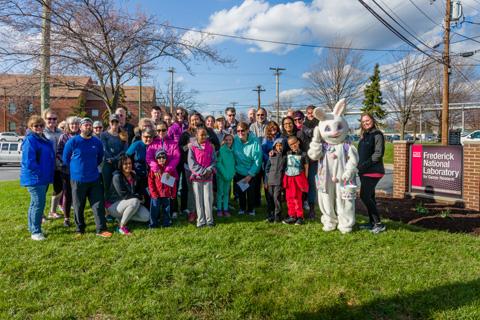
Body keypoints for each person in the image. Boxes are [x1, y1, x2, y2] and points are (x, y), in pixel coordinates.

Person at [62, 117, 112, 237]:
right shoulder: (73, 142)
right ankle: (80, 229)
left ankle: (101, 229)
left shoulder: (97, 142)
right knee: (79, 205)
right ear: (80, 127)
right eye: (86, 125)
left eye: (90, 125)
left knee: (98, 204)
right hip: (78, 180)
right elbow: (65, 158)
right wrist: (76, 170)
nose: (88, 127)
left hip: (94, 178)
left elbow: (100, 157)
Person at [179, 112, 220, 221]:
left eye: (196, 119)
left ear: (201, 120)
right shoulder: (185, 134)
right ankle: (193, 211)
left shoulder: (209, 131)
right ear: (189, 121)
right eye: (192, 119)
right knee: (192, 191)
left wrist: (212, 146)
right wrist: (186, 147)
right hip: (190, 167)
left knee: (206, 191)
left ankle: (207, 213)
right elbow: (180, 149)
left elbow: (217, 145)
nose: (194, 121)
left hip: (207, 168)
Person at [20, 115, 55, 240]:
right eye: (36, 126)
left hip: (42, 177)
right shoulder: (30, 140)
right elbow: (29, 162)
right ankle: (35, 231)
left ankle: (32, 227)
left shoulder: (42, 138)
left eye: (41, 125)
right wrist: (39, 173)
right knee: (38, 204)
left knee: (35, 203)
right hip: (35, 178)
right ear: (31, 127)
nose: (39, 128)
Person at [107, 155, 150, 235]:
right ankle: (121, 227)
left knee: (146, 217)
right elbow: (124, 195)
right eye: (125, 164)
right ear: (121, 165)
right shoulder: (117, 177)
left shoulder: (134, 176)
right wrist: (139, 197)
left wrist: (142, 197)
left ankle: (122, 218)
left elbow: (140, 191)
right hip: (114, 205)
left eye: (130, 163)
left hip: (128, 203)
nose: (128, 166)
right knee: (135, 201)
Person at [357, 113, 386, 234]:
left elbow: (378, 154)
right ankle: (372, 223)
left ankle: (378, 224)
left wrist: (364, 165)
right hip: (364, 171)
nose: (365, 123)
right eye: (363, 121)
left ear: (372, 120)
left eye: (367, 120)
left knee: (364, 196)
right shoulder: (365, 135)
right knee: (370, 197)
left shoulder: (377, 134)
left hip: (373, 171)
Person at [146, 121, 180, 217]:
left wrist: (168, 170)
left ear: (167, 130)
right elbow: (149, 158)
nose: (161, 132)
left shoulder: (173, 143)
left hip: (169, 173)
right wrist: (156, 168)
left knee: (170, 192)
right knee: (156, 192)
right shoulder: (152, 144)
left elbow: (176, 157)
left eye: (163, 130)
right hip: (156, 174)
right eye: (159, 130)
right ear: (156, 131)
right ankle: (157, 214)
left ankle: (171, 212)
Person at [188, 127, 217, 228]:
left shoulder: (211, 147)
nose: (204, 136)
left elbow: (214, 161)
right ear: (196, 135)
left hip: (208, 177)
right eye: (201, 135)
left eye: (205, 135)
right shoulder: (192, 147)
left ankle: (209, 220)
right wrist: (202, 171)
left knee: (208, 199)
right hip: (197, 178)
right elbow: (191, 163)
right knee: (198, 200)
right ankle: (200, 221)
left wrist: (209, 170)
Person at [232, 122, 262, 216]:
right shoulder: (235, 139)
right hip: (239, 171)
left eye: (242, 130)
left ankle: (251, 209)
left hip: (251, 171)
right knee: (241, 191)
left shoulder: (255, 141)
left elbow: (257, 160)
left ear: (248, 130)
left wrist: (250, 175)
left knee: (250, 192)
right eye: (238, 131)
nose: (240, 132)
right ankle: (242, 208)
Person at [57, 116, 81, 227]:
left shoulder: (82, 136)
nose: (74, 126)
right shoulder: (63, 137)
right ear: (68, 125)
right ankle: (66, 218)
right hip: (66, 170)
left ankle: (78, 217)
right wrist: (67, 160)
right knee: (67, 194)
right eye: (72, 124)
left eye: (76, 124)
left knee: (78, 195)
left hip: (79, 170)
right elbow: (59, 152)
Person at [126, 127, 155, 209]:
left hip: (150, 175)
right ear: (142, 136)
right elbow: (126, 156)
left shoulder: (153, 145)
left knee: (149, 194)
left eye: (150, 137)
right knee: (142, 193)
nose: (148, 139)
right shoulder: (137, 144)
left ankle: (149, 211)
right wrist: (131, 170)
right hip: (137, 174)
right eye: (146, 137)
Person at [282, 136, 308, 225]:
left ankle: (300, 216)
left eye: (294, 143)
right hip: (289, 178)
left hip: (298, 178)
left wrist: (305, 179)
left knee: (297, 197)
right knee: (289, 197)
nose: (293, 145)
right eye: (291, 144)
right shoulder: (288, 153)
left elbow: (306, 167)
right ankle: (292, 216)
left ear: (298, 142)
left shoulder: (303, 154)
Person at [42, 109, 63, 220]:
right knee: (42, 191)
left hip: (58, 166)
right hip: (45, 167)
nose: (52, 121)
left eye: (54, 119)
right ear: (45, 119)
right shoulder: (41, 132)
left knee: (58, 189)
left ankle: (53, 211)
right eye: (49, 118)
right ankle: (41, 214)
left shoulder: (61, 132)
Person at [100, 114, 128, 197]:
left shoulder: (123, 134)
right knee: (107, 185)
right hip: (107, 163)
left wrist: (115, 159)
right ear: (109, 123)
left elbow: (125, 150)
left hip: (119, 163)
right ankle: (107, 205)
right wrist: (110, 159)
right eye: (113, 122)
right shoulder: (104, 135)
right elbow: (104, 148)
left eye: (116, 122)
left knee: (118, 185)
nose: (114, 124)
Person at [302, 105, 319, 220]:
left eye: (312, 112)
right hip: (304, 158)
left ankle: (312, 210)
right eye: (308, 113)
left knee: (312, 184)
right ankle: (302, 206)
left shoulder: (321, 124)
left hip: (315, 159)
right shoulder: (303, 126)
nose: (310, 115)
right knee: (303, 184)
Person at [264, 138, 285, 223]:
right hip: (270, 181)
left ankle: (277, 216)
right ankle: (270, 215)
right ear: (274, 146)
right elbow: (267, 169)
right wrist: (266, 181)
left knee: (276, 198)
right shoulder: (271, 156)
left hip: (279, 181)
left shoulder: (285, 156)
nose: (279, 147)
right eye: (277, 145)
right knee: (270, 199)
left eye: (281, 145)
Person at [216, 134, 235, 217]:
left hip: (229, 176)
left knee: (227, 193)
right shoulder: (221, 150)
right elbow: (218, 163)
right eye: (226, 140)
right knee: (220, 193)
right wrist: (224, 173)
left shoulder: (233, 151)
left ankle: (226, 209)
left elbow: (234, 164)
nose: (228, 141)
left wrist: (232, 173)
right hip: (221, 175)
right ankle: (219, 209)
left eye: (230, 140)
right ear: (223, 141)